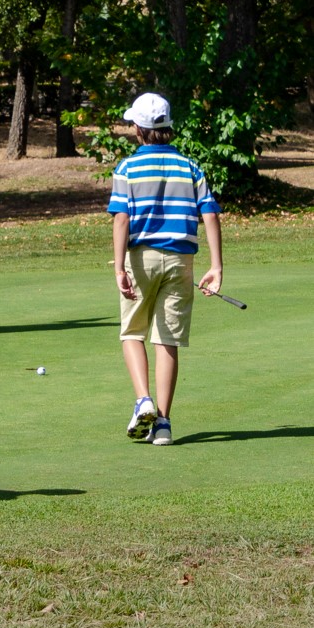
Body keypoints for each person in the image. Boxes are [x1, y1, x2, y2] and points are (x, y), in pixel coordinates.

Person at [109, 93, 223, 446]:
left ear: (138, 129)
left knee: (132, 333)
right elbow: (210, 213)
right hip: (181, 261)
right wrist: (216, 266)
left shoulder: (127, 168)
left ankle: (143, 399)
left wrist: (119, 268)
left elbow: (121, 219)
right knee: (167, 340)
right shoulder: (189, 166)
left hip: (141, 257)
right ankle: (164, 424)